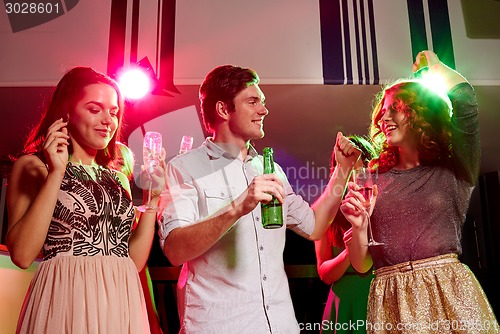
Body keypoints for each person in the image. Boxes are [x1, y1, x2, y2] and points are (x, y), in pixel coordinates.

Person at [158, 64, 361, 333]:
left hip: (279, 325)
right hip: (219, 326)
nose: (263, 110)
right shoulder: (185, 167)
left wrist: (343, 170)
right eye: (252, 102)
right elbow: (174, 250)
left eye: (262, 102)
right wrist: (239, 207)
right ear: (222, 109)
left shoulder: (271, 169)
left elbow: (314, 226)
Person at [340, 50, 499, 333]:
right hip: (390, 299)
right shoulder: (369, 178)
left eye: (395, 108)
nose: (383, 119)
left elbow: (466, 101)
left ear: (421, 114)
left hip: (448, 292)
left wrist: (438, 67)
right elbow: (362, 264)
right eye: (382, 111)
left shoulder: (455, 168)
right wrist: (360, 226)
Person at [6, 67, 164, 334]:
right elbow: (22, 254)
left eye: (113, 112)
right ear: (67, 111)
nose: (108, 121)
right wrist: (57, 172)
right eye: (95, 109)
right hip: (67, 298)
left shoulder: (118, 178)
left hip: (120, 298)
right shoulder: (34, 167)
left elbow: (132, 262)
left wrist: (153, 199)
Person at [315, 135, 376, 334]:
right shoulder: (328, 213)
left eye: (360, 170)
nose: (356, 179)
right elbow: (324, 273)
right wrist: (350, 251)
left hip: (379, 294)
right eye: (347, 170)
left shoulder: (385, 207)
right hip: (344, 303)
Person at [110, 141, 164, 334]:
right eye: (112, 160)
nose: (116, 166)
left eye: (121, 162)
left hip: (135, 273)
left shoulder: (137, 209)